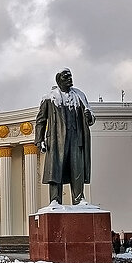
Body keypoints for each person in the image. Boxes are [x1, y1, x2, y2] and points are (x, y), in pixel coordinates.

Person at [34, 68, 95, 205]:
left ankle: (79, 199)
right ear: (59, 79)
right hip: (57, 140)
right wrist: (40, 140)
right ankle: (55, 200)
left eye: (71, 76)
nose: (70, 79)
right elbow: (41, 120)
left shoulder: (79, 95)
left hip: (76, 138)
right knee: (56, 170)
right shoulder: (49, 98)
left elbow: (90, 113)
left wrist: (89, 116)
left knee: (77, 168)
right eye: (66, 77)